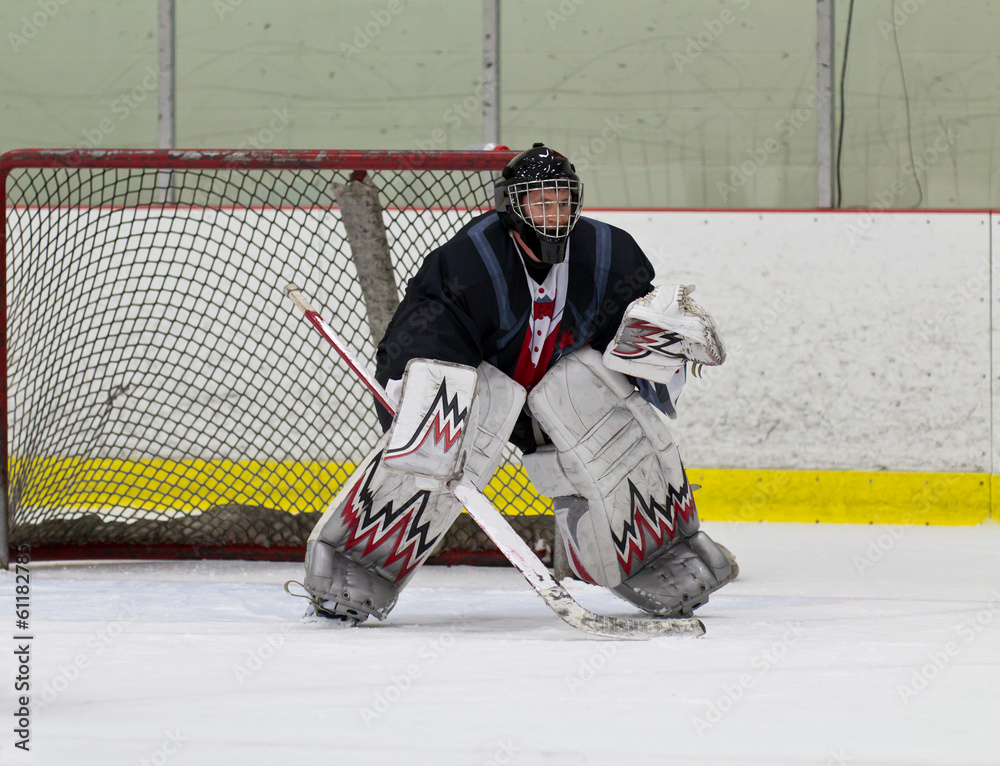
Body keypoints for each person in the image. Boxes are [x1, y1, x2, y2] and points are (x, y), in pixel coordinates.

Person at [298, 143, 736, 624]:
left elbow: (621, 342)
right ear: (513, 205)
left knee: (598, 400)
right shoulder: (470, 260)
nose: (553, 214)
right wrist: (414, 406)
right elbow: (422, 332)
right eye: (540, 203)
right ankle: (359, 562)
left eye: (562, 201)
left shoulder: (609, 253)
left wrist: (658, 344)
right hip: (486, 386)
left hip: (556, 391)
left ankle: (651, 555)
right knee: (442, 434)